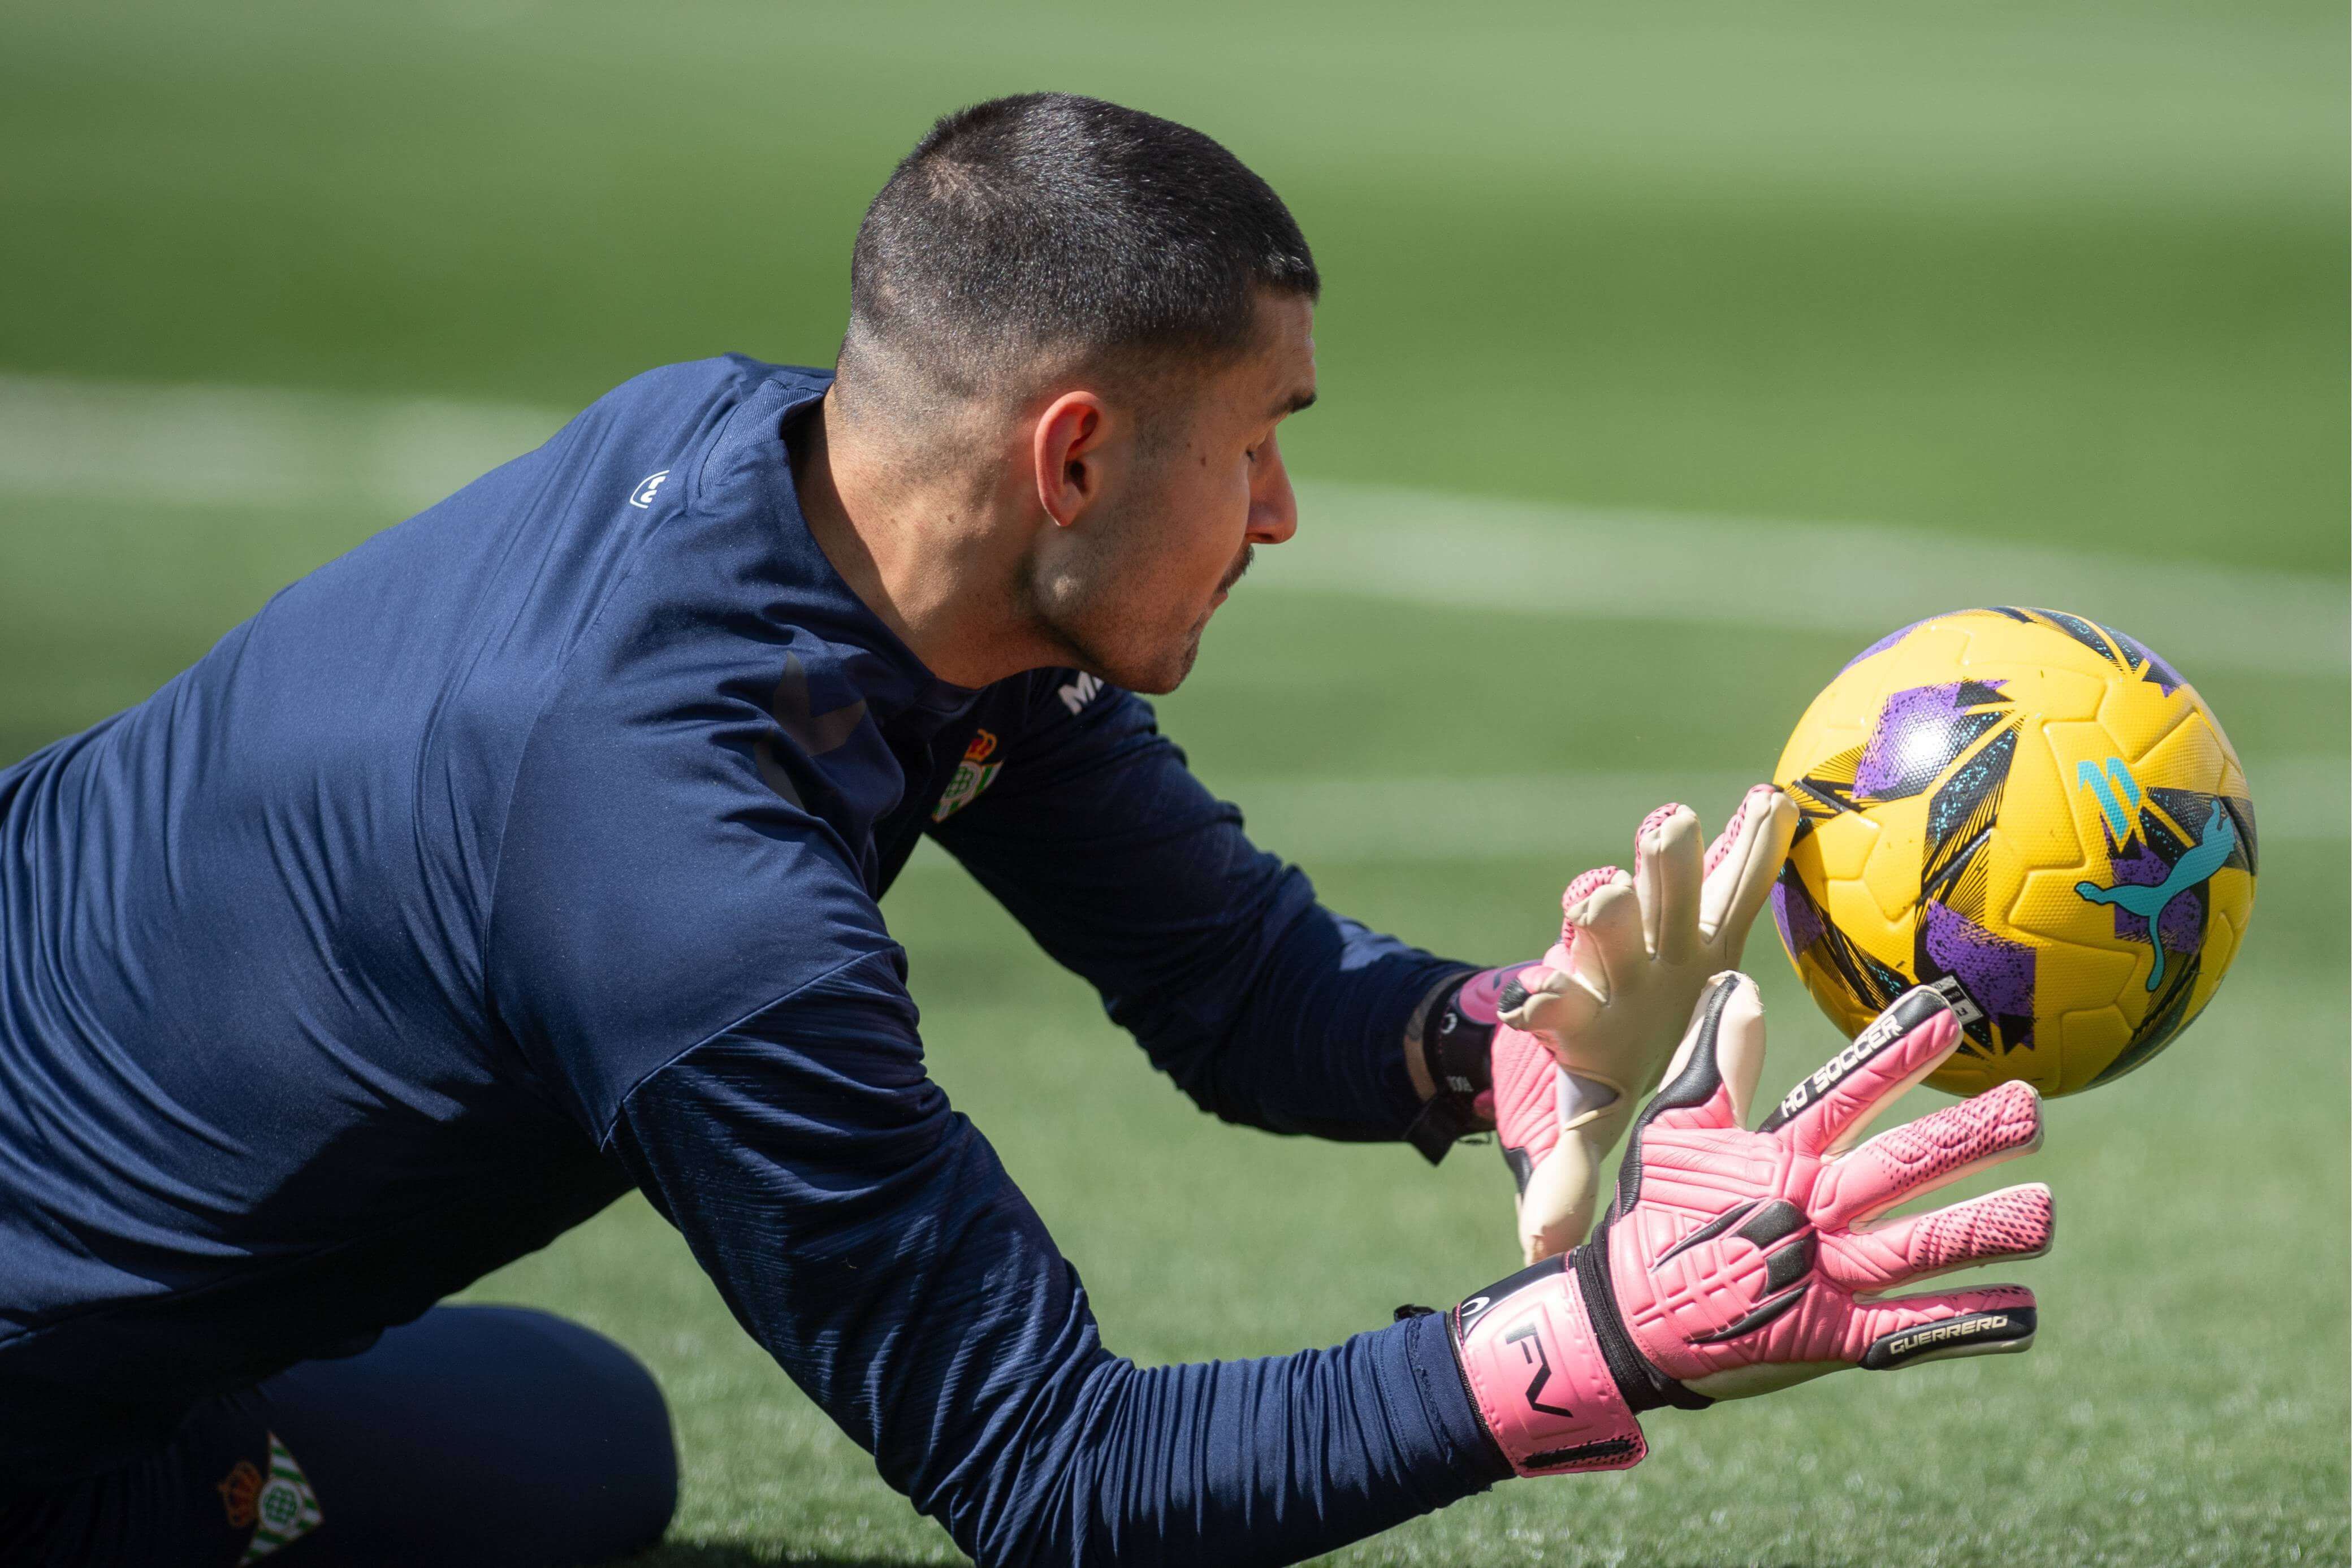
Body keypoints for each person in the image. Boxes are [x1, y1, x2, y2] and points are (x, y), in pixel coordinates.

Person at [0, 94, 2053, 1567]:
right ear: (1071, 455)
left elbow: (1233, 981)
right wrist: (1587, 1347)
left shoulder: (788, 492)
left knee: (587, 1449)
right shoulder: (682, 882)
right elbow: (1061, 1480)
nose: (1278, 517)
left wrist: (1504, 1036)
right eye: (1256, 447)